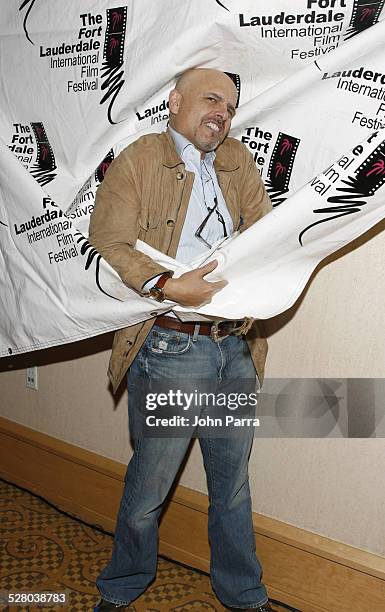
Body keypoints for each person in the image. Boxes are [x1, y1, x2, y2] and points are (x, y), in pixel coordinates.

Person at [89, 68, 274, 611]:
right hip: (173, 350)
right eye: (211, 99)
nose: (222, 113)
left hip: (236, 347)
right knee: (149, 492)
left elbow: (264, 234)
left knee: (233, 489)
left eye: (231, 107)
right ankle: (120, 591)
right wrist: (168, 283)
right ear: (174, 102)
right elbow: (110, 238)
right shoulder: (139, 159)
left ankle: (243, 596)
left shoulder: (239, 161)